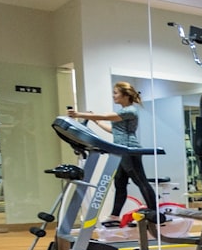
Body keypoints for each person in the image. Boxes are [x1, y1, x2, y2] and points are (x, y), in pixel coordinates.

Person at [67, 81, 158, 226]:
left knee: (140, 181)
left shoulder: (129, 110)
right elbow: (113, 130)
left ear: (125, 95)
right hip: (119, 150)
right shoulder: (123, 112)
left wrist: (78, 114)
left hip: (129, 149)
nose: (113, 96)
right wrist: (95, 121)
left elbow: (105, 116)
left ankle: (155, 214)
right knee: (119, 183)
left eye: (116, 93)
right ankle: (115, 215)